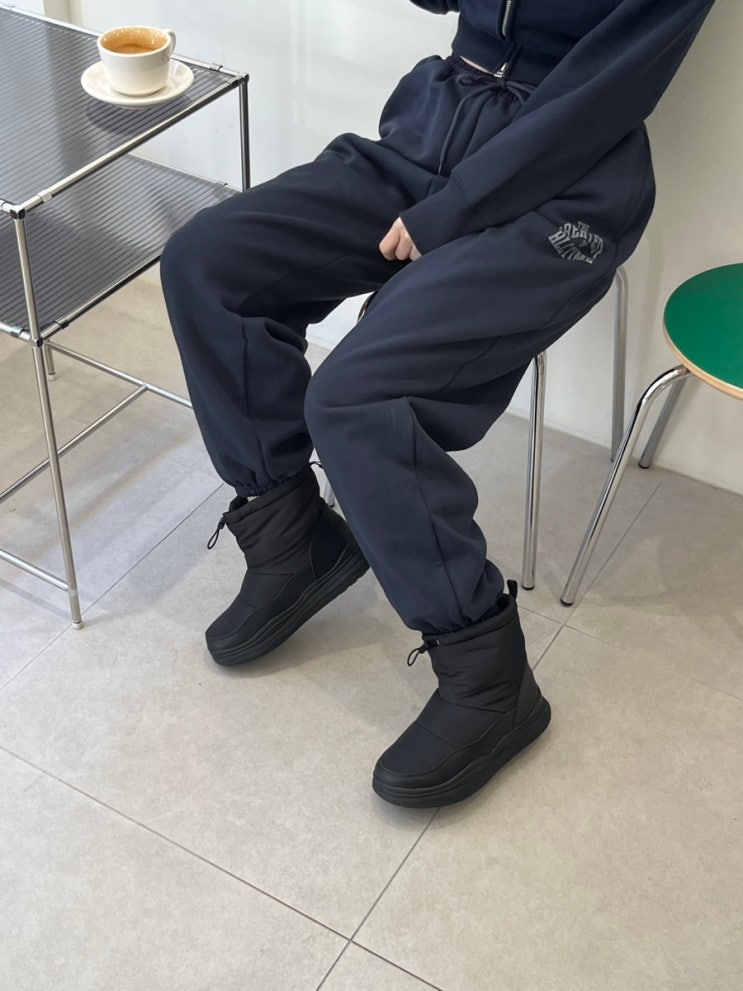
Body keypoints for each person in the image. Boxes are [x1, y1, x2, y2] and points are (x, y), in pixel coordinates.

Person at [161, 0, 715, 809]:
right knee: (207, 263)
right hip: (434, 131)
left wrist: (455, 211)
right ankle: (290, 539)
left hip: (565, 182)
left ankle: (489, 678)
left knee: (355, 396)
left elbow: (609, 87)